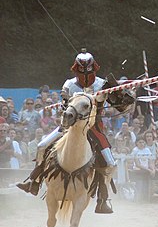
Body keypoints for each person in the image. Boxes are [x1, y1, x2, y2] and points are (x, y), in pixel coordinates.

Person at [17, 48, 134, 214]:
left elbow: (121, 106)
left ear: (93, 69)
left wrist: (126, 97)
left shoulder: (103, 85)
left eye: (88, 71)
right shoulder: (69, 85)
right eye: (82, 71)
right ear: (76, 69)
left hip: (94, 128)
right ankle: (33, 181)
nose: (85, 74)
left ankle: (102, 199)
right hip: (69, 126)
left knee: (110, 163)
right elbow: (65, 107)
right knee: (42, 146)